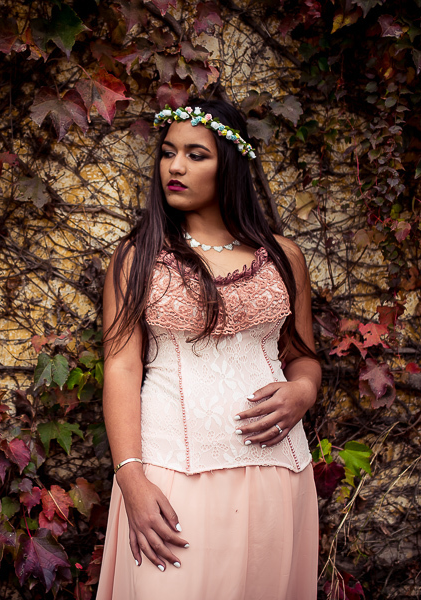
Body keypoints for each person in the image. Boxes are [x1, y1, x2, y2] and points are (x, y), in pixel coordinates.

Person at [95, 98, 321, 600]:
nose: (175, 167)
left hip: (275, 476)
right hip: (170, 477)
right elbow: (122, 368)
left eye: (196, 154)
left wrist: (303, 390)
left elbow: (301, 354)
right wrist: (131, 479)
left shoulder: (286, 258)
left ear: (231, 164)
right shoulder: (137, 258)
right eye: (168, 152)